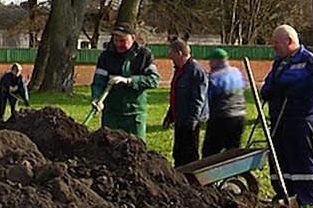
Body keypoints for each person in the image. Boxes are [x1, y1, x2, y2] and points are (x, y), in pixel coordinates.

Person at [260, 25, 313, 207]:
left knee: (300, 157)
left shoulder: (309, 62)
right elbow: (270, 84)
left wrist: (289, 90)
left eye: (276, 43)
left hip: (300, 119)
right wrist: (269, 91)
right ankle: (284, 192)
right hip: (279, 119)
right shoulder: (279, 62)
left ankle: (305, 197)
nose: (274, 47)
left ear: (289, 41)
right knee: (279, 157)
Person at [90, 22, 160, 141]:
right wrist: (96, 98)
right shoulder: (106, 56)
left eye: (122, 40)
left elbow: (153, 80)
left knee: (136, 150)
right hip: (111, 115)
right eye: (115, 40)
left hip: (134, 114)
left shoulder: (144, 55)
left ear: (133, 38)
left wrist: (129, 81)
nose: (118, 44)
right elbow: (98, 82)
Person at [163, 38, 209, 167]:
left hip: (189, 121)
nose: (172, 61)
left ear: (179, 54)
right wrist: (170, 115)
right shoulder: (179, 70)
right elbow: (176, 96)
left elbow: (198, 99)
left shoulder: (195, 71)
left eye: (172, 57)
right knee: (178, 153)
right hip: (180, 119)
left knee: (189, 154)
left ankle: (191, 179)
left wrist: (192, 121)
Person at [202, 48, 247, 157]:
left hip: (220, 117)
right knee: (233, 150)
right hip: (239, 116)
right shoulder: (236, 72)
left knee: (210, 151)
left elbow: (208, 97)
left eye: (211, 60)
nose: (209, 63)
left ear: (217, 61)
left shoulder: (214, 77)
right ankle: (234, 172)